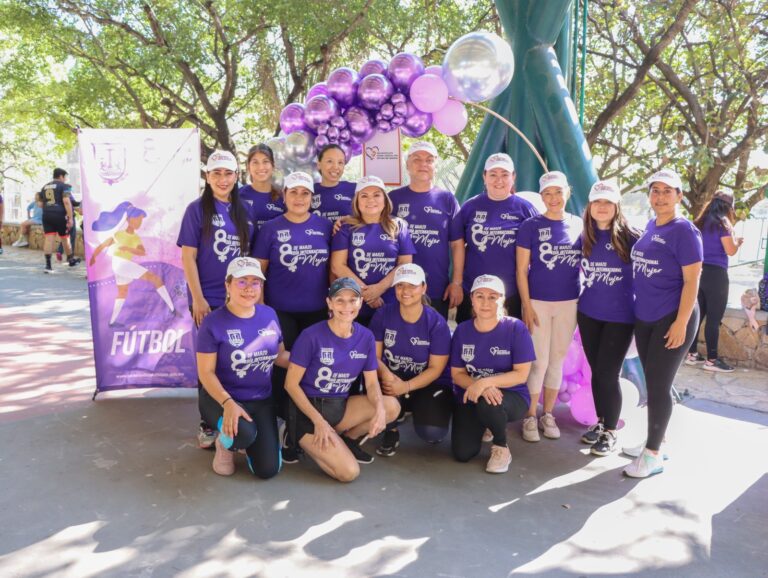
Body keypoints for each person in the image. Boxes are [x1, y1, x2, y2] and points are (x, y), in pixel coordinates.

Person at [283, 277, 400, 481]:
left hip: (339, 407)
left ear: (360, 302)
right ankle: (296, 437)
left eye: (352, 300)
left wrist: (379, 409)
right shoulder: (311, 336)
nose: (347, 306)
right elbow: (290, 385)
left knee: (391, 407)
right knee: (348, 472)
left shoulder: (365, 337)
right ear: (329, 303)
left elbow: (372, 383)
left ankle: (346, 439)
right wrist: (318, 421)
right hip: (309, 413)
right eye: (340, 300)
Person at [177, 150, 256, 449]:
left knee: (233, 360)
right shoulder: (196, 210)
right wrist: (198, 298)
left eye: (228, 173)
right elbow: (188, 256)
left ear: (237, 177)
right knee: (208, 363)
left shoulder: (245, 209)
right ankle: (207, 422)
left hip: (240, 299)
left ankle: (234, 415)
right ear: (207, 177)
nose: (223, 179)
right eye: (216, 173)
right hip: (207, 299)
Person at [625, 169, 702, 478]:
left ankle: (653, 454)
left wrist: (682, 322)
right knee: (656, 383)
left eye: (667, 191)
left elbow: (692, 280)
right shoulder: (651, 224)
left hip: (671, 318)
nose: (659, 197)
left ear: (679, 196)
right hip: (646, 316)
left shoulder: (684, 231)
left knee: (657, 386)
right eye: (655, 191)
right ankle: (657, 438)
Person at [253, 170, 332, 459]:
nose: (299, 198)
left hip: (317, 313)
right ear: (284, 195)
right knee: (281, 368)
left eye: (305, 193)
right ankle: (281, 424)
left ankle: (303, 426)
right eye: (293, 192)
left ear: (312, 197)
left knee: (310, 371)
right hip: (279, 312)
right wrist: (261, 313)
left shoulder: (326, 226)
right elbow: (259, 273)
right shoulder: (271, 228)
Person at [197, 257, 289, 478]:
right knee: (243, 435)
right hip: (221, 399)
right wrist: (228, 403)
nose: (249, 289)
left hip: (261, 400)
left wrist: (309, 362)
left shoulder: (269, 314)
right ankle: (224, 445)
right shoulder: (213, 322)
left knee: (268, 470)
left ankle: (253, 437)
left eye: (255, 282)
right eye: (241, 282)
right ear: (227, 285)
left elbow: (280, 355)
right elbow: (205, 372)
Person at [516, 171, 583, 442]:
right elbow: (521, 270)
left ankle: (549, 413)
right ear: (541, 196)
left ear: (567, 193)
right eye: (547, 193)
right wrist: (526, 306)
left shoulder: (579, 224)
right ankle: (530, 415)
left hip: (569, 303)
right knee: (538, 362)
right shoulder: (530, 226)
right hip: (538, 303)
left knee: (556, 361)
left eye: (558, 192)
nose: (553, 198)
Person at [576, 181, 640, 456]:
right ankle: (601, 423)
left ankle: (611, 432)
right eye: (597, 202)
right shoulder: (584, 238)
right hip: (589, 314)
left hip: (620, 318)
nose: (602, 207)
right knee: (595, 372)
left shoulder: (632, 237)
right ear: (590, 207)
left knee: (608, 373)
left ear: (616, 207)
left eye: (607, 202)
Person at [450, 275, 535, 474]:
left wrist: (485, 383)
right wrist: (480, 385)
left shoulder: (516, 328)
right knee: (462, 453)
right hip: (473, 393)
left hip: (511, 396)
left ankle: (501, 446)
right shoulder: (462, 330)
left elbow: (521, 375)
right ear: (471, 299)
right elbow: (457, 374)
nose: (485, 302)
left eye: (492, 297)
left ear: (503, 299)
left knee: (489, 402)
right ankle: (487, 423)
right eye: (480, 296)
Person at [369, 263, 453, 456]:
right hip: (392, 380)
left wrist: (406, 387)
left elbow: (436, 369)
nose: (405, 291)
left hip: (426, 383)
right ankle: (391, 429)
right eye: (400, 285)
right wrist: (387, 375)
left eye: (412, 286)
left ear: (423, 288)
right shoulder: (383, 315)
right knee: (373, 379)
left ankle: (413, 408)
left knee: (432, 432)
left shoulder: (436, 322)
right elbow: (374, 357)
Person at [451, 153, 539, 323]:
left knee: (505, 346)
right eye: (493, 174)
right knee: (470, 343)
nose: (499, 180)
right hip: (474, 291)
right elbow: (457, 246)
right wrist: (457, 282)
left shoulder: (526, 209)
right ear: (484, 177)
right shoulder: (470, 207)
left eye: (505, 175)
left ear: (513, 177)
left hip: (511, 294)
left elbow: (536, 254)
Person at [388, 141, 463, 319]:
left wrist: (457, 282)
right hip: (399, 287)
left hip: (436, 287)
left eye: (429, 160)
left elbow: (457, 245)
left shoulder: (447, 199)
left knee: (435, 342)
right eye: (417, 159)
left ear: (435, 165)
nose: (423, 164)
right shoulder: (393, 199)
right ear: (407, 165)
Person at [331, 175, 415, 326]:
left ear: (385, 199)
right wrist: (367, 293)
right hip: (353, 306)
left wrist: (379, 289)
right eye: (364, 195)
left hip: (389, 303)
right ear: (357, 201)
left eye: (376, 195)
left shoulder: (399, 226)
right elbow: (337, 266)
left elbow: (405, 264)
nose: (371, 200)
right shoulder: (345, 227)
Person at [90, 202, 176, 325]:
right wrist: (93, 256)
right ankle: (172, 309)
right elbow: (102, 245)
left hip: (121, 265)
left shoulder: (136, 238)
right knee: (156, 279)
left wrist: (128, 249)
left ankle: (112, 321)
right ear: (129, 219)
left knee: (122, 291)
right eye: (137, 219)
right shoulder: (118, 234)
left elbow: (142, 252)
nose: (140, 222)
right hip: (121, 263)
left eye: (141, 220)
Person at [686, 190, 744, 372]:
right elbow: (730, 250)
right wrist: (737, 242)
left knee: (697, 316)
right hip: (716, 276)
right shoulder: (723, 222)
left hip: (698, 273)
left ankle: (691, 354)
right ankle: (712, 360)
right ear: (728, 207)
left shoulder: (699, 222)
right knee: (713, 319)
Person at [37, 168, 79, 272]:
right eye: (65, 177)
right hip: (60, 215)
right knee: (65, 237)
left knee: (49, 239)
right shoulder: (65, 187)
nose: (65, 179)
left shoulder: (44, 187)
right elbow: (66, 201)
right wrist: (70, 218)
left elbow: (40, 204)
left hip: (47, 215)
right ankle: (71, 259)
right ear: (61, 176)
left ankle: (48, 266)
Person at [239, 144, 285, 230]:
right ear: (248, 167)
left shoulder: (283, 198)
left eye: (265, 161)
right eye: (255, 162)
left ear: (273, 165)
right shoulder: (238, 195)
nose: (261, 167)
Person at [312, 144, 355, 222]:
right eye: (330, 161)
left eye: (340, 162)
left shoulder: (355, 189)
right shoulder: (308, 191)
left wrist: (352, 220)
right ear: (319, 165)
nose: (335, 167)